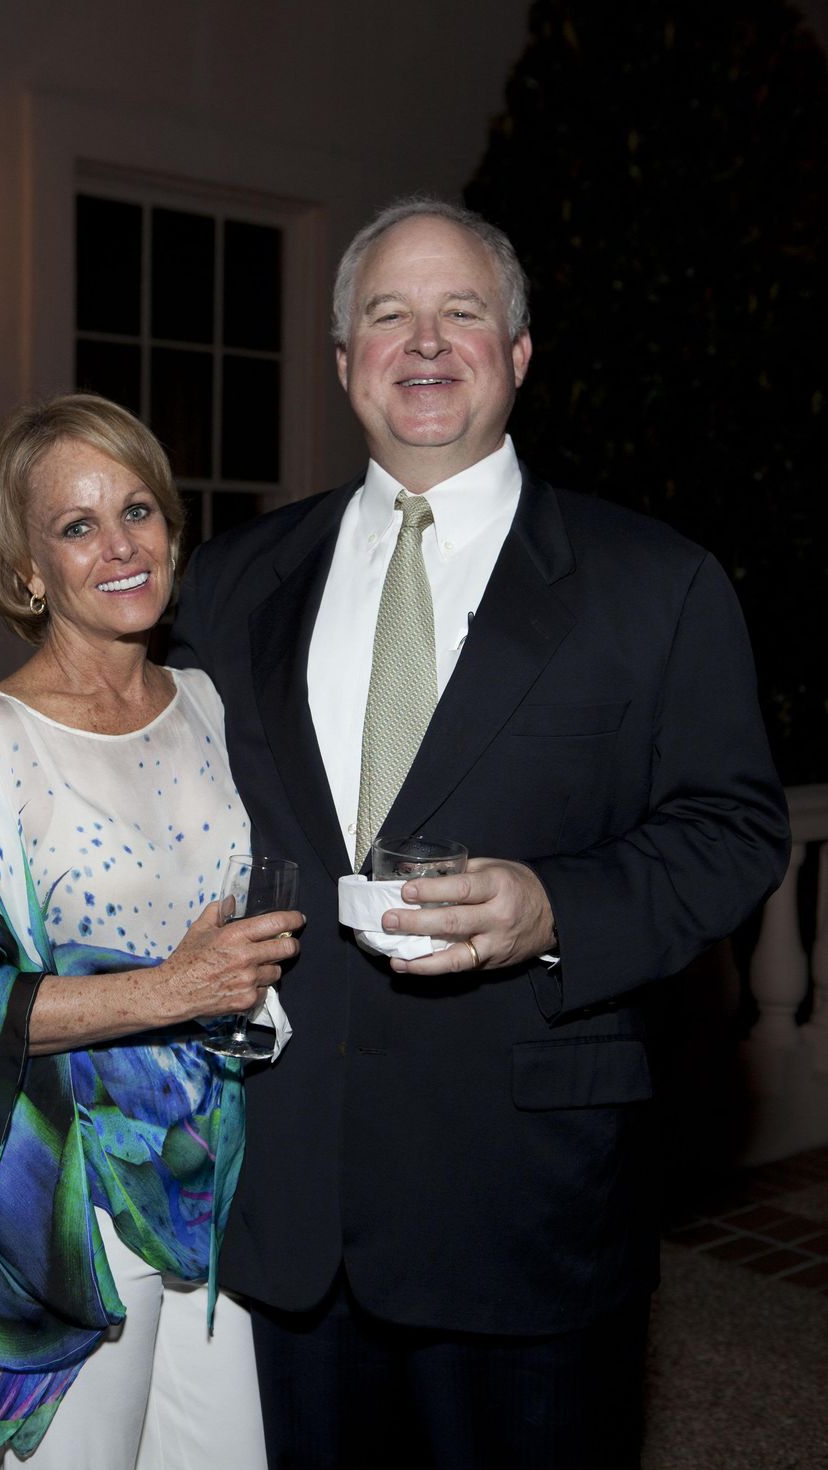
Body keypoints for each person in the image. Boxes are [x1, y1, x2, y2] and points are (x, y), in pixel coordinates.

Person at [169, 197, 791, 1468]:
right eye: (386, 313)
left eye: (462, 311)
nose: (424, 340)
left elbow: (733, 829)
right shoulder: (233, 583)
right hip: (293, 1196)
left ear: (516, 355)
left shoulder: (652, 583)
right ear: (342, 364)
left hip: (522, 1197)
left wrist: (557, 908)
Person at [0, 394, 302, 1469]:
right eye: (77, 527)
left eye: (137, 510)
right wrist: (170, 991)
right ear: (29, 569)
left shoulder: (211, 703)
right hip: (74, 1189)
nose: (120, 546)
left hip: (225, 1165)